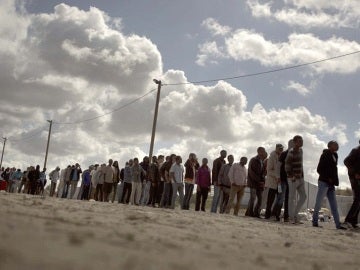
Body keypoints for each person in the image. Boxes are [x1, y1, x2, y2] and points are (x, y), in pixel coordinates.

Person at [312, 141, 346, 230]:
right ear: (329, 146)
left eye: (337, 145)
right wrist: (328, 178)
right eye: (335, 144)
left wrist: (334, 180)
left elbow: (333, 170)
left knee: (334, 205)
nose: (337, 146)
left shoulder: (335, 156)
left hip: (331, 184)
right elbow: (319, 169)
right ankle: (314, 222)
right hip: (323, 182)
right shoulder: (325, 154)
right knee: (318, 203)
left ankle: (338, 225)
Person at [285, 135, 307, 224]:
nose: (301, 142)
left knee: (303, 196)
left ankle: (295, 214)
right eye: (299, 141)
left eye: (302, 141)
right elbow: (287, 166)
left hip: (300, 178)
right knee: (292, 198)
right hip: (293, 179)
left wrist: (302, 176)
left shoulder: (301, 151)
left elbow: (301, 164)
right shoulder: (291, 152)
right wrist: (291, 176)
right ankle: (291, 218)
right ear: (294, 142)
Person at [273, 140, 293, 222]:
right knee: (280, 198)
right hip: (282, 180)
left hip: (290, 181)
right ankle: (276, 215)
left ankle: (286, 217)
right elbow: (278, 166)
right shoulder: (284, 154)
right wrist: (278, 177)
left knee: (288, 198)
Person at [343, 140, 360, 229]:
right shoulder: (356, 150)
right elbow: (346, 161)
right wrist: (355, 173)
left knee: (358, 199)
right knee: (358, 198)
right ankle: (348, 220)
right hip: (354, 178)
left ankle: (354, 222)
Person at [245, 147, 267, 218]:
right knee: (253, 198)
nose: (264, 152)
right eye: (262, 151)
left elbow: (262, 173)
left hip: (259, 184)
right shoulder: (253, 160)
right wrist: (259, 181)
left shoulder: (262, 161)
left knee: (260, 199)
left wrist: (263, 181)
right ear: (259, 152)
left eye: (264, 151)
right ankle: (249, 212)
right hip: (253, 183)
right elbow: (251, 172)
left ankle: (256, 213)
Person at [264, 144, 284, 220]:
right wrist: (277, 176)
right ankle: (267, 215)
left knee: (279, 199)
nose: (281, 150)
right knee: (270, 200)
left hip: (279, 183)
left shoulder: (282, 157)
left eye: (282, 149)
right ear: (276, 148)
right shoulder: (271, 157)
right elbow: (269, 170)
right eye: (279, 148)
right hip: (273, 182)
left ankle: (276, 215)